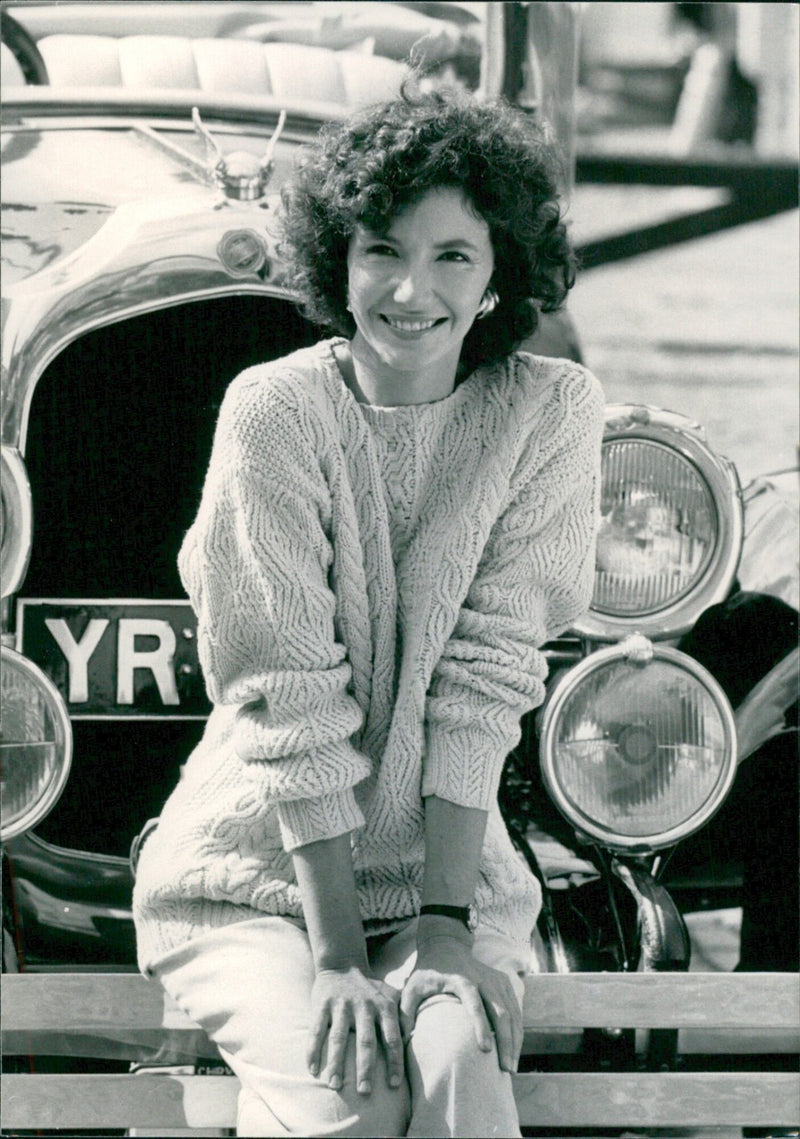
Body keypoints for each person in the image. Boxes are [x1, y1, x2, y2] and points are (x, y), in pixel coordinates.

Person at [132, 84, 604, 1138]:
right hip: (254, 879)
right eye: (381, 250)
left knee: (454, 1080)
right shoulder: (275, 410)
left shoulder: (549, 411)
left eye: (452, 256)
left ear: (497, 278)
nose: (408, 290)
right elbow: (284, 696)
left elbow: (486, 681)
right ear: (336, 258)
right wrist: (339, 958)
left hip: (447, 885)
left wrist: (441, 929)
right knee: (355, 1099)